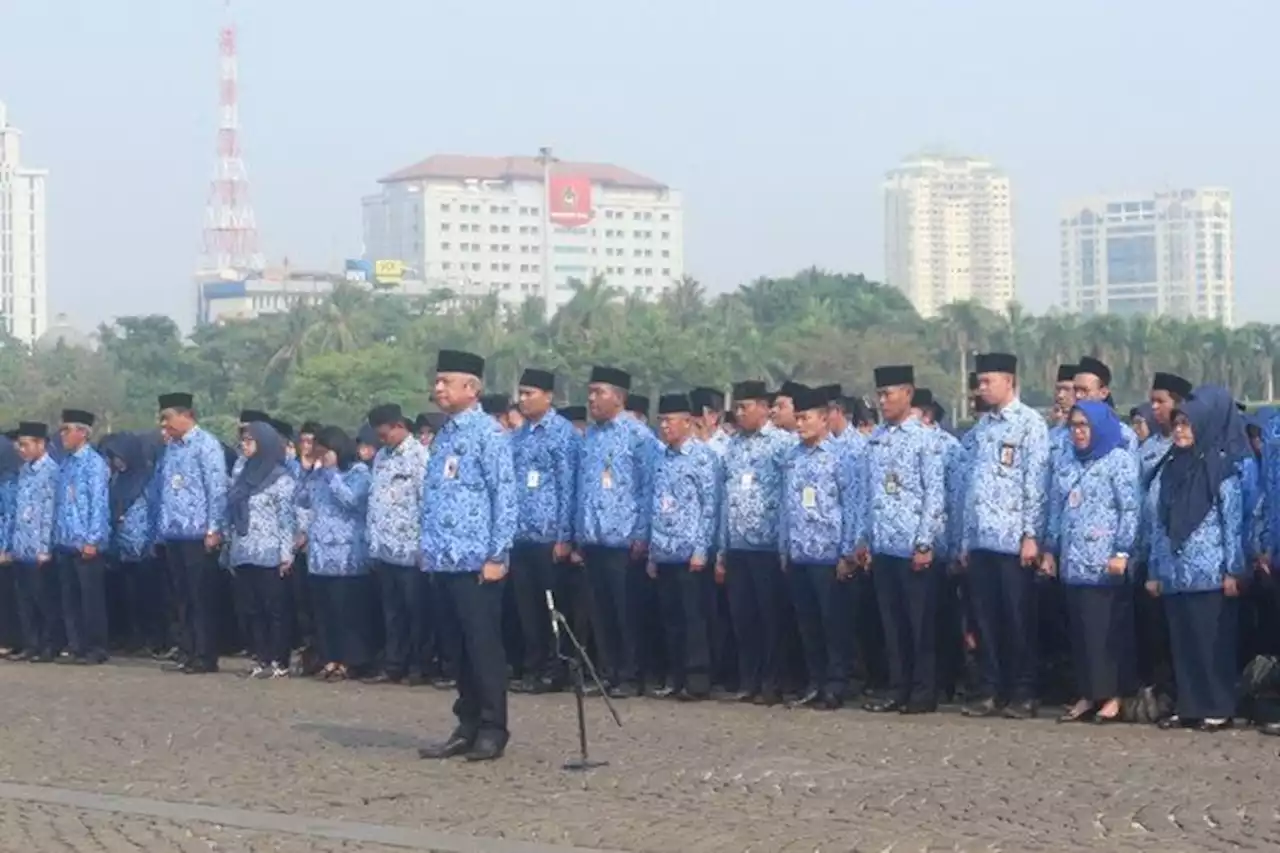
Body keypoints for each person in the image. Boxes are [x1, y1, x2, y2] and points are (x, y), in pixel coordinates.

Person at [417, 349, 517, 762]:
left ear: (471, 388)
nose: (437, 388)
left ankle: (494, 726)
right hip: (444, 558)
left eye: (446, 381)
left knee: (482, 646)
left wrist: (497, 554)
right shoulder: (444, 435)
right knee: (455, 648)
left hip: (478, 561)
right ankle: (467, 722)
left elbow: (505, 497)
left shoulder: (488, 434)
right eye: (437, 381)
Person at [1147, 386, 1245, 732]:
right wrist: (1156, 570)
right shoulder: (1169, 469)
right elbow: (1159, 523)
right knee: (1183, 642)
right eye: (1177, 425)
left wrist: (1233, 570)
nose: (1179, 431)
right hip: (1176, 573)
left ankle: (1218, 705)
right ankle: (1189, 704)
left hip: (1211, 572)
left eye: (1187, 425)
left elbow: (1232, 524)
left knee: (1211, 643)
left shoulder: (1220, 469)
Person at [960, 353, 1050, 719]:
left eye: (987, 382)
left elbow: (1036, 485)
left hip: (1014, 541)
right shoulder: (981, 430)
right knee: (985, 620)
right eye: (979, 382)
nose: (981, 388)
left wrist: (1032, 535)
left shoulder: (1030, 424)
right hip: (982, 539)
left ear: (1008, 381)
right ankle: (990, 688)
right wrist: (967, 540)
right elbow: (972, 489)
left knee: (1018, 620)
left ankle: (1023, 691)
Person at [854, 365, 946, 714]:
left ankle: (923, 691)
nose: (882, 401)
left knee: (919, 624)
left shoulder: (924, 439)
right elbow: (867, 494)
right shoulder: (875, 440)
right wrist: (863, 539)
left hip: (912, 545)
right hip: (883, 545)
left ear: (908, 394)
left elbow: (934, 495)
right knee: (892, 624)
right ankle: (899, 687)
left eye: (888, 394)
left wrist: (925, 542)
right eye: (879, 395)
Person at [1042, 402, 1140, 724]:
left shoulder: (1120, 461)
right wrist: (1050, 549)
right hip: (1074, 562)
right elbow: (1057, 508)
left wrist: (1122, 552)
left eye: (1085, 425)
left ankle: (1111, 696)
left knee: (1106, 633)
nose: (1079, 432)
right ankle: (1087, 691)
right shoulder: (1067, 461)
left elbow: (1130, 510)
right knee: (1081, 633)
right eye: (1074, 425)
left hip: (1104, 563)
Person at [574, 365, 654, 698]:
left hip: (624, 539)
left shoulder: (639, 436)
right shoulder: (590, 437)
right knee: (601, 612)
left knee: (626, 612)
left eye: (599, 392)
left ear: (618, 398)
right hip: (593, 538)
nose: (591, 399)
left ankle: (631, 675)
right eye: (590, 392)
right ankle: (608, 672)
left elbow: (649, 486)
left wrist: (642, 532)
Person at [780, 384, 856, 710]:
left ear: (824, 419)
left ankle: (837, 684)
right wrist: (784, 547)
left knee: (833, 624)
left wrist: (847, 552)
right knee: (807, 623)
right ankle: (815, 681)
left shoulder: (841, 457)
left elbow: (853, 506)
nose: (799, 424)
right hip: (799, 552)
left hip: (829, 553)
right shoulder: (792, 458)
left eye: (806, 418)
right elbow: (786, 505)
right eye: (796, 418)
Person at [717, 380, 792, 705]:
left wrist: (785, 544)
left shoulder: (782, 445)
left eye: (745, 407)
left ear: (764, 408)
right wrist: (721, 549)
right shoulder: (732, 446)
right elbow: (725, 497)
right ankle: (748, 680)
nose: (739, 413)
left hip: (767, 546)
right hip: (736, 545)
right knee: (742, 617)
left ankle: (772, 682)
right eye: (737, 407)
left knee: (770, 618)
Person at [509, 368, 579, 694]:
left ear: (548, 396)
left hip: (549, 537)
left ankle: (557, 668)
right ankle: (532, 666)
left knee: (553, 607)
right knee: (526, 608)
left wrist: (565, 536)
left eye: (529, 393)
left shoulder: (562, 434)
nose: (523, 399)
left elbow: (568, 487)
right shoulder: (518, 436)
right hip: (521, 536)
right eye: (520, 394)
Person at [644, 393, 718, 701]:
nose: (664, 427)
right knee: (670, 618)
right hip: (664, 550)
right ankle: (674, 676)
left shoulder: (702, 457)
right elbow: (655, 505)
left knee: (693, 618)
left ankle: (697, 679)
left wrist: (702, 548)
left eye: (670, 421)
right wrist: (652, 551)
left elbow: (710, 505)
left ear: (688, 422)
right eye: (661, 421)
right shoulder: (661, 457)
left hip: (691, 552)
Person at [155, 393, 228, 675]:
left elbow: (216, 489)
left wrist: (214, 527)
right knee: (181, 597)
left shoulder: (206, 445)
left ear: (186, 415)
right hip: (174, 532)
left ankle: (205, 654)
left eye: (168, 418)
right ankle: (186, 650)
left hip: (198, 532)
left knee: (201, 597)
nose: (165, 425)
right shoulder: (171, 448)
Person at [364, 403, 430, 686]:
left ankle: (420, 665)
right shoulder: (381, 457)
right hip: (385, 547)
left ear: (399, 426)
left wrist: (425, 546)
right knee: (392, 613)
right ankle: (394, 664)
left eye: (384, 434)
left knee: (417, 612)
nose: (382, 440)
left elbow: (427, 503)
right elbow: (374, 501)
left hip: (411, 547)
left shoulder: (419, 456)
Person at [300, 425, 373, 681]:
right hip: (320, 554)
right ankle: (329, 657)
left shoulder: (359, 472)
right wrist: (307, 471)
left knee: (347, 612)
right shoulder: (318, 474)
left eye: (324, 451)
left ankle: (351, 660)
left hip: (347, 554)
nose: (321, 456)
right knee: (325, 612)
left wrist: (331, 473)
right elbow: (301, 500)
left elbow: (351, 501)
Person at [225, 420, 296, 679]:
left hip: (270, 551)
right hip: (244, 549)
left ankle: (279, 659)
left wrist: (286, 554)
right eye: (242, 441)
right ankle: (260, 656)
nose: (244, 446)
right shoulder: (242, 474)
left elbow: (286, 519)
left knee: (274, 608)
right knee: (251, 608)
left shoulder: (281, 478)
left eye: (250, 440)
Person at [52, 409, 111, 665]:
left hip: (86, 542)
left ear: (83, 433)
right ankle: (76, 645)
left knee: (91, 599)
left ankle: (96, 647)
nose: (62, 435)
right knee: (70, 598)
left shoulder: (94, 464)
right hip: (65, 540)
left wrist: (93, 539)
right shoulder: (65, 464)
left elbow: (99, 504)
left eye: (67, 429)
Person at [98, 432, 165, 655]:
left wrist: (152, 542)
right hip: (122, 549)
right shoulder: (116, 481)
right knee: (128, 598)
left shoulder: (148, 479)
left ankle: (153, 639)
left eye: (118, 456)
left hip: (144, 549)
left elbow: (155, 512)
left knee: (148, 597)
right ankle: (132, 638)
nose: (116, 462)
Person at [9, 422, 59, 662]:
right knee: (25, 599)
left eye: (25, 444)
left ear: (41, 444)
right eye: (19, 445)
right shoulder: (24, 471)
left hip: (39, 547)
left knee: (43, 599)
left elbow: (49, 512)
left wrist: (44, 547)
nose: (21, 449)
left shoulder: (51, 472)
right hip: (21, 544)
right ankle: (32, 643)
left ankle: (48, 645)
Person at [0, 435, 22, 655]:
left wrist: (5, 547)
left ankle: (9, 639)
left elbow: (9, 515)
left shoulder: (9, 484)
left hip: (8, 546)